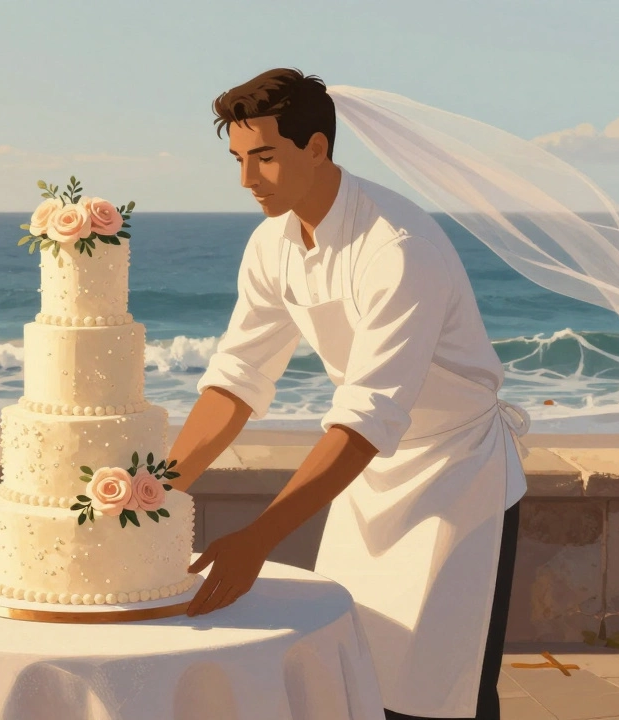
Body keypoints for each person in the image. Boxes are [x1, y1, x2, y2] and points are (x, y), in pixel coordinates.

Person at [164, 68, 531, 719]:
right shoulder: (270, 244)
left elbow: (366, 416)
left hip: (456, 478)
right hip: (367, 480)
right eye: (239, 161)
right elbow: (237, 382)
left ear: (317, 149)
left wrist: (258, 539)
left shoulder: (398, 247)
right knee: (351, 685)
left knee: (442, 697)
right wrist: (160, 488)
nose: (247, 181)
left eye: (265, 158)